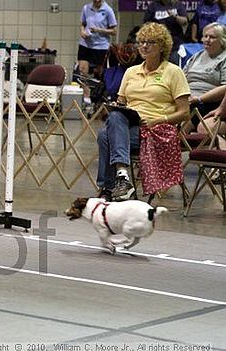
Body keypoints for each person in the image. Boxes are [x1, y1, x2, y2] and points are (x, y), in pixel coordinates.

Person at [97, 22, 190, 201]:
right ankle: (121, 179)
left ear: (162, 46)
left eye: (151, 42)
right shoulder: (131, 72)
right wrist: (116, 105)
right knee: (116, 115)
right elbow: (121, 102)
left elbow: (184, 112)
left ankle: (108, 188)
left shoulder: (174, 72)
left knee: (104, 135)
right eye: (141, 42)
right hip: (129, 126)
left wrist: (157, 120)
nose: (144, 46)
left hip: (157, 130)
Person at [184, 22, 226, 131]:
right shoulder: (196, 57)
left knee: (183, 126)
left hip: (210, 102)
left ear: (222, 41)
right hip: (187, 100)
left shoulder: (224, 58)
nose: (207, 40)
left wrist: (199, 98)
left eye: (212, 37)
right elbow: (181, 79)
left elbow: (225, 87)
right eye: (205, 36)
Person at [77, 0, 117, 107]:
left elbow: (114, 31)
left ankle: (98, 99)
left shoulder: (108, 10)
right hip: (85, 44)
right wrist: (82, 32)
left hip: (101, 46)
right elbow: (82, 24)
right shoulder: (86, 8)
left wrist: (98, 30)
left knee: (99, 74)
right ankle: (86, 97)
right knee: (82, 71)